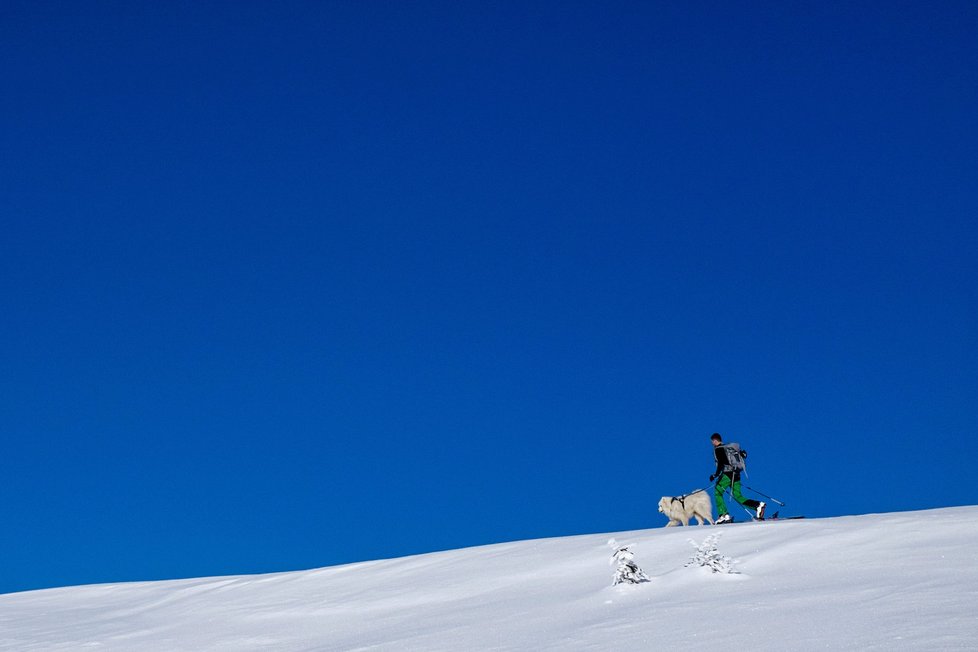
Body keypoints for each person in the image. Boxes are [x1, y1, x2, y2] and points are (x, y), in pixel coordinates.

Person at [710, 432, 765, 523]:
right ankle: (757, 505)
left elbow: (721, 463)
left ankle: (723, 515)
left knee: (717, 492)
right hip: (736, 474)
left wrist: (715, 475)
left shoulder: (718, 449)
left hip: (727, 474)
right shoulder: (729, 447)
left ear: (715, 440)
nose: (712, 443)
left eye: (712, 441)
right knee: (738, 496)